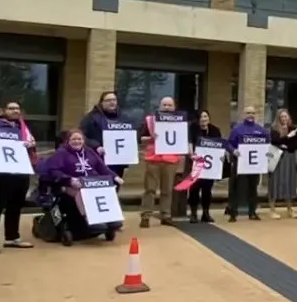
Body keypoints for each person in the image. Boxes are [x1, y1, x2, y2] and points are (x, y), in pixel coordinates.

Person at [38, 129, 124, 243]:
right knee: (81, 192)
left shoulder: (89, 152)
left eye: (79, 139)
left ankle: (110, 218)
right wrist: (69, 179)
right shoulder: (61, 153)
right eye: (73, 139)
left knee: (107, 190)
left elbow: (101, 167)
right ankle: (88, 218)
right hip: (70, 184)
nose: (77, 141)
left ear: (83, 141)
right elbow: (54, 170)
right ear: (68, 141)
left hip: (92, 182)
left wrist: (115, 177)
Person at [0, 102, 36, 254]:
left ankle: (12, 237)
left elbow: (31, 146)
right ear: (4, 111)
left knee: (16, 206)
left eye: (17, 108)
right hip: (3, 173)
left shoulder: (22, 127)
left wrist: (30, 144)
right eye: (11, 108)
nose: (15, 111)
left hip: (21, 171)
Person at [140, 97, 182, 229]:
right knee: (150, 189)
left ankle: (166, 216)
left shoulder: (180, 121)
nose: (167, 107)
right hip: (153, 159)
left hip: (171, 160)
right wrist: (151, 138)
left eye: (170, 105)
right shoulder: (150, 120)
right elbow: (141, 138)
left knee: (167, 190)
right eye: (164, 105)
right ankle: (145, 216)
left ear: (174, 107)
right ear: (160, 106)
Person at [226, 105, 266, 222]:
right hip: (239, 163)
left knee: (253, 188)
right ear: (244, 115)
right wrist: (234, 151)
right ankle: (233, 213)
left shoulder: (261, 130)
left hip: (254, 165)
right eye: (248, 113)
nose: (250, 115)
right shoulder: (237, 130)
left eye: (253, 113)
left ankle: (252, 212)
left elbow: (267, 145)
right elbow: (228, 144)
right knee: (235, 187)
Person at [78, 91, 130, 181]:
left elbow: (131, 135)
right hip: (98, 159)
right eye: (108, 100)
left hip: (118, 161)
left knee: (116, 183)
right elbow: (81, 136)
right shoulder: (91, 117)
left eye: (114, 100)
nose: (112, 102)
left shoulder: (123, 117)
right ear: (102, 102)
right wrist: (96, 146)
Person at [187, 110, 222, 224]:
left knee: (207, 189)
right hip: (196, 163)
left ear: (209, 118)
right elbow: (190, 142)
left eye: (205, 116)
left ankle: (205, 213)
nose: (203, 119)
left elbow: (219, 145)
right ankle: (193, 213)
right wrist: (191, 154)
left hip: (209, 166)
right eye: (201, 117)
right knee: (194, 189)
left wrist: (221, 156)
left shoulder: (215, 130)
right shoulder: (193, 128)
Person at [268, 109, 297, 219]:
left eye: (286, 116)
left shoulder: (294, 129)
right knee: (275, 181)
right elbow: (274, 141)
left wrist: (287, 145)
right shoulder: (274, 129)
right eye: (282, 117)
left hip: (289, 157)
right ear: (278, 118)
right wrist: (287, 137)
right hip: (277, 157)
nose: (284, 118)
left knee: (289, 181)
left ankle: (289, 209)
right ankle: (272, 209)